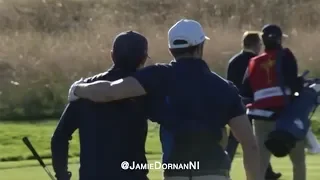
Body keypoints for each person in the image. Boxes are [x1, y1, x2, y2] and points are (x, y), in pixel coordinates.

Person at [68, 19, 262, 180]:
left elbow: (108, 92)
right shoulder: (224, 87)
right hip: (214, 169)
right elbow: (249, 144)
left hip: (176, 170)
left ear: (171, 49)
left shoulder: (157, 76)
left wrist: (78, 88)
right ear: (200, 46)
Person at [51, 31, 150, 180]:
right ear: (143, 59)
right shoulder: (145, 88)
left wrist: (62, 174)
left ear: (112, 55)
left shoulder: (85, 90)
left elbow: (60, 136)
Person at [240, 24, 306, 180]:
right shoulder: (286, 55)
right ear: (279, 39)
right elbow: (293, 83)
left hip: (261, 116)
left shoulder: (253, 62)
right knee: (298, 161)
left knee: (261, 163)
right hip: (285, 115)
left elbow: (246, 91)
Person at [226, 31, 282, 179]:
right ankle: (263, 173)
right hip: (252, 105)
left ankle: (224, 168)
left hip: (234, 105)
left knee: (234, 140)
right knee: (255, 142)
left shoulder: (233, 61)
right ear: (256, 45)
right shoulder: (257, 61)